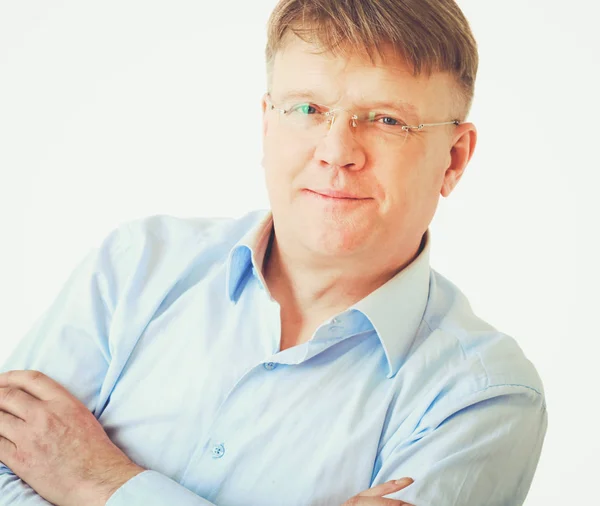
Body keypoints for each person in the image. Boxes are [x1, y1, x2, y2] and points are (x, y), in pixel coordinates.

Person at [0, 0, 547, 505]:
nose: (337, 152)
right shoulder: (133, 268)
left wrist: (93, 480)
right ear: (266, 123)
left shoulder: (484, 398)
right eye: (308, 108)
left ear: (453, 159)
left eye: (386, 120)